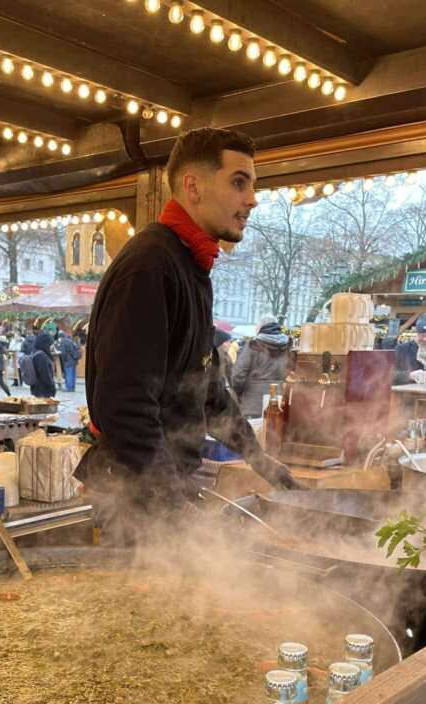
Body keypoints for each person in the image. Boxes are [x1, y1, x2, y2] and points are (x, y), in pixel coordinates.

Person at [75, 126, 303, 541]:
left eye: (252, 185)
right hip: (134, 501)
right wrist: (176, 509)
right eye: (239, 182)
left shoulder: (190, 265)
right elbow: (124, 407)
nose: (252, 199)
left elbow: (208, 391)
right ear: (193, 186)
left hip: (164, 493)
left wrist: (264, 464)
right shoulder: (151, 266)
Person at [231, 317, 292, 417]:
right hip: (279, 401)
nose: (255, 329)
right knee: (276, 430)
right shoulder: (288, 348)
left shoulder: (253, 346)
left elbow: (237, 375)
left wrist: (239, 393)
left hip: (253, 404)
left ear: (263, 327)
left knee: (254, 431)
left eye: (257, 326)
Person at [30, 333, 57, 398]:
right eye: (51, 344)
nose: (52, 347)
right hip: (43, 390)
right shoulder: (41, 355)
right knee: (42, 407)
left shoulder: (35, 352)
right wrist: (52, 387)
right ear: (46, 344)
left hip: (36, 388)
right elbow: (45, 374)